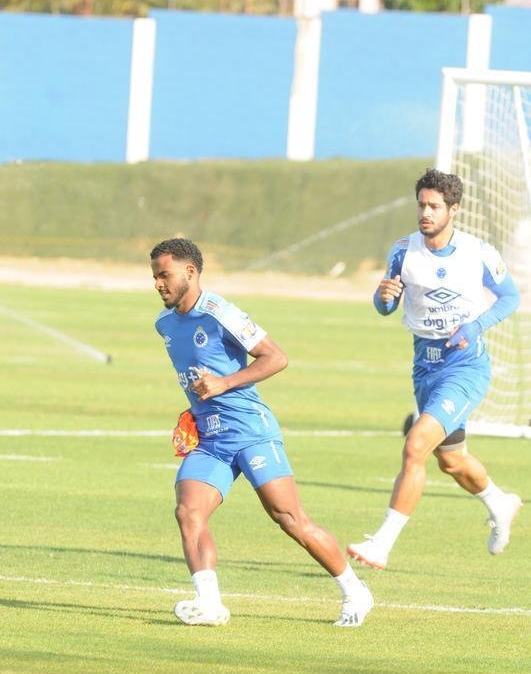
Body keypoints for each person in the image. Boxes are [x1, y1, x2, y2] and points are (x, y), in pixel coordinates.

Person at [151, 237, 373, 627]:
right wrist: (195, 408)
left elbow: (276, 357)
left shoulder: (221, 313)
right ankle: (209, 604)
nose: (158, 284)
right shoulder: (165, 325)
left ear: (190, 272)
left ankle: (355, 591)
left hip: (251, 431)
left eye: (164, 275)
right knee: (189, 511)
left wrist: (224, 383)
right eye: (154, 276)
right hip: (211, 439)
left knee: (289, 518)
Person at [347, 168, 522, 570]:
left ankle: (382, 543)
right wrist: (382, 297)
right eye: (422, 205)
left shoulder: (478, 252)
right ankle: (501, 501)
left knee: (414, 446)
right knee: (452, 460)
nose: (426, 212)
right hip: (425, 366)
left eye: (435, 206)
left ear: (453, 210)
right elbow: (386, 306)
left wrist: (475, 325)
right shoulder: (403, 251)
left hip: (465, 367)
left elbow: (509, 297)